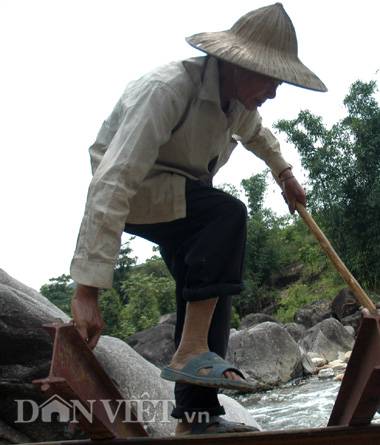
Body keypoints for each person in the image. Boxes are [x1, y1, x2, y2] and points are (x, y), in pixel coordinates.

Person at [69, 3, 326, 435]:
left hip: (182, 195)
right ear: (242, 65)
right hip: (137, 190)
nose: (275, 93)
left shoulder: (236, 100)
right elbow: (114, 181)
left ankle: (196, 418)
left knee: (212, 283)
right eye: (272, 81)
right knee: (227, 216)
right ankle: (189, 351)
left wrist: (284, 174)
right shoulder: (167, 89)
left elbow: (257, 134)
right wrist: (86, 291)